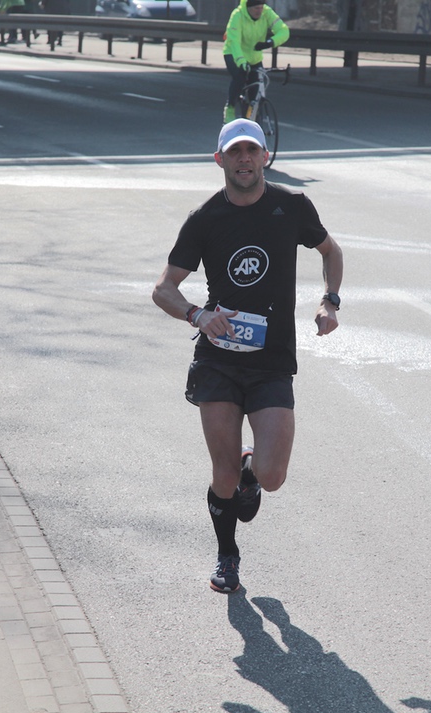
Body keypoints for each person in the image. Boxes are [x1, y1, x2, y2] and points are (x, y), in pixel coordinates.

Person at [152, 119, 343, 593]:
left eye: (252, 151)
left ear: (265, 157)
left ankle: (250, 470)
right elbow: (164, 288)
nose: (244, 159)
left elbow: (330, 251)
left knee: (272, 476)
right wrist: (197, 315)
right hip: (217, 360)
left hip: (272, 361)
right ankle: (227, 556)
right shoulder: (205, 218)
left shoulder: (291, 206)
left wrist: (329, 302)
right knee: (222, 472)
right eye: (234, 152)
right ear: (220, 160)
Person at [222, 0, 290, 124]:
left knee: (255, 91)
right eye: (256, 8)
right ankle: (230, 108)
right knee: (239, 78)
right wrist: (241, 61)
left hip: (254, 57)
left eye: (261, 7)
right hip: (234, 53)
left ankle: (251, 117)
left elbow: (284, 31)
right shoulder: (237, 15)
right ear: (248, 8)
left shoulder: (266, 12)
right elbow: (234, 41)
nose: (259, 11)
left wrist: (270, 42)